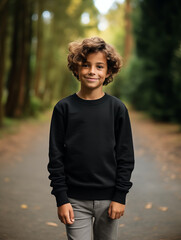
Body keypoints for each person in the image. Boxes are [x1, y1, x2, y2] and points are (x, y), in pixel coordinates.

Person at [47, 36, 135, 240]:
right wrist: (61, 199)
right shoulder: (64, 108)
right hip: (74, 200)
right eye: (86, 65)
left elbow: (125, 156)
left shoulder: (117, 109)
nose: (92, 71)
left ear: (108, 71)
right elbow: (56, 156)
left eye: (99, 66)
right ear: (76, 69)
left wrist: (120, 196)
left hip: (109, 199)